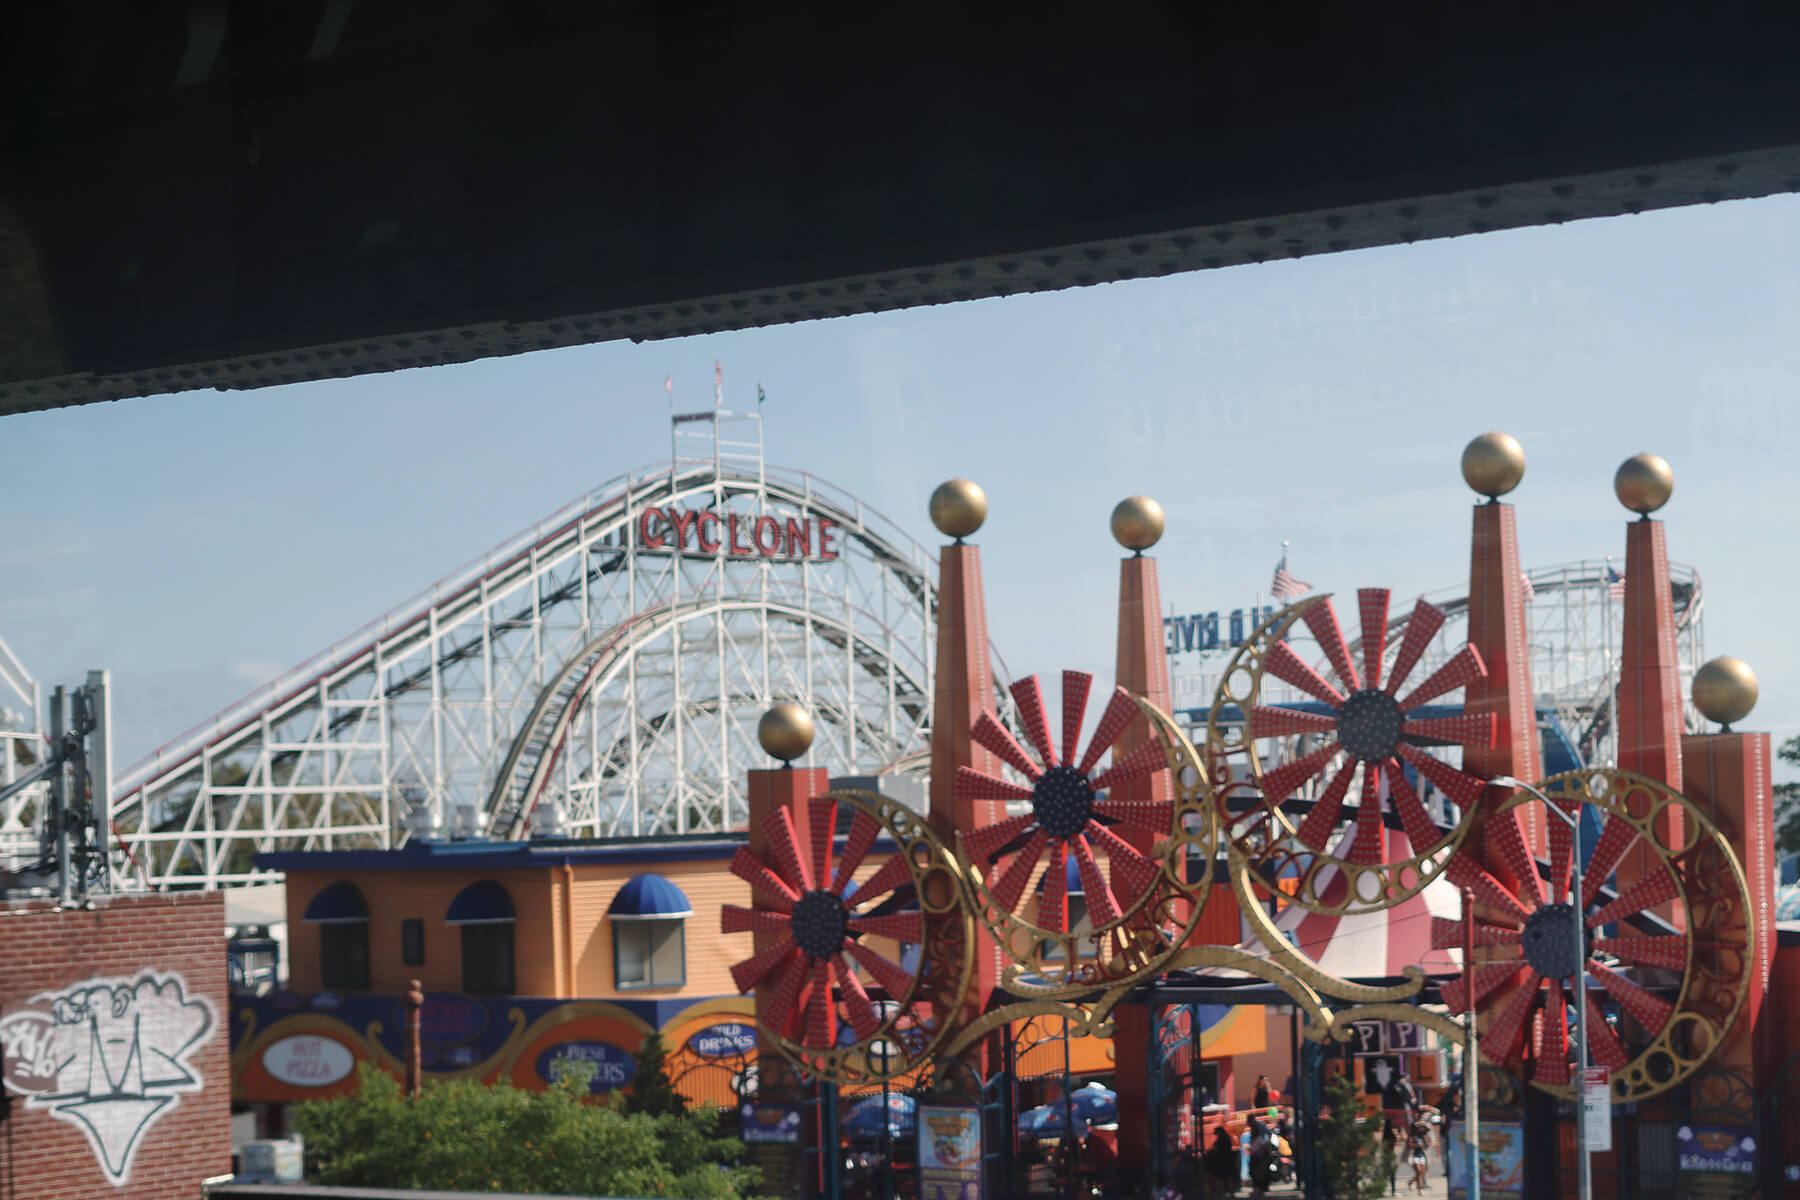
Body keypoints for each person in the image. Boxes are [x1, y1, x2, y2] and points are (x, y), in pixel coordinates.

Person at [1203, 1125, 1240, 1196]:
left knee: (1223, 1177)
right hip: (1227, 1161)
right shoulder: (1225, 1138)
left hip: (1223, 1162)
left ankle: (1224, 1193)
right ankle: (1230, 1193)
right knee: (1227, 1177)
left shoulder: (1222, 1139)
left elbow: (1216, 1149)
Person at [1406, 1121, 1431, 1193]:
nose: (1421, 1129)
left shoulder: (1423, 1136)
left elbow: (1427, 1145)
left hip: (1422, 1155)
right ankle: (1420, 1189)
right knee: (1419, 1172)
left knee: (1422, 1173)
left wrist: (1425, 1143)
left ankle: (1411, 1182)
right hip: (1414, 1155)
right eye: (1420, 1128)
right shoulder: (1412, 1136)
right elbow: (1409, 1145)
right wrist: (1417, 1145)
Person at [1382, 1120, 1400, 1196]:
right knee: (1392, 1174)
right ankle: (1393, 1191)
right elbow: (1396, 1140)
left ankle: (1383, 1190)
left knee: (1385, 1174)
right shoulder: (1392, 1135)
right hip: (1390, 1155)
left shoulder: (1384, 1136)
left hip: (1385, 1155)